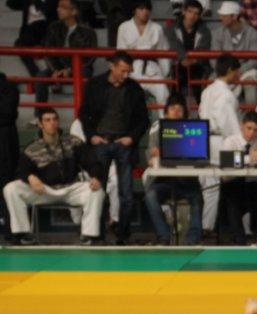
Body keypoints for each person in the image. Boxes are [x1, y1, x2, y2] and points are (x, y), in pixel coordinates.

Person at [4, 108, 105, 245]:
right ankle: (22, 235)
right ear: (40, 124)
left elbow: (92, 162)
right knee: (11, 188)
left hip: (71, 189)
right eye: (47, 120)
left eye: (55, 119)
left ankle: (89, 235)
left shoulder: (73, 142)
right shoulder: (32, 148)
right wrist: (30, 177)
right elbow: (20, 171)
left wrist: (96, 176)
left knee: (97, 191)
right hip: (44, 191)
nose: (52, 123)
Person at [78, 50, 149, 244]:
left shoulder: (134, 88)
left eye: (128, 71)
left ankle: (123, 235)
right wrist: (91, 136)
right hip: (101, 142)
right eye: (123, 70)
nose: (126, 75)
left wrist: (131, 138)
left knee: (127, 195)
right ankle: (98, 235)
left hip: (123, 144)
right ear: (112, 66)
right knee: (97, 192)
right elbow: (84, 113)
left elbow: (143, 120)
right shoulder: (95, 85)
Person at [144, 94, 203, 245]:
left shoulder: (192, 128)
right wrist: (152, 155)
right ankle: (164, 236)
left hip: (187, 181)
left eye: (180, 109)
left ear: (185, 112)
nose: (176, 112)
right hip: (164, 181)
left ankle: (193, 239)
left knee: (197, 199)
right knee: (150, 196)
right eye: (172, 108)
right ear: (165, 112)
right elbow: (150, 152)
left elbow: (199, 155)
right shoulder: (158, 126)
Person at [198, 53, 242, 234]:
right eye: (237, 71)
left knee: (209, 186)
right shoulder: (226, 95)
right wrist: (241, 145)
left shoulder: (207, 91)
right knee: (233, 184)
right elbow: (228, 124)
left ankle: (206, 228)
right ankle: (211, 229)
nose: (239, 75)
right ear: (230, 70)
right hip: (223, 142)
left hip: (205, 141)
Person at [220, 111, 257, 244]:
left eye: (256, 130)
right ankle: (238, 241)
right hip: (233, 184)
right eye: (249, 128)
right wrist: (248, 158)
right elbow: (226, 161)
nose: (252, 133)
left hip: (254, 185)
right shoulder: (230, 141)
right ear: (242, 126)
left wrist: (255, 157)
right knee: (232, 198)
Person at [36, 0, 97, 104]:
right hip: (58, 67)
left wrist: (70, 70)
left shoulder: (88, 31)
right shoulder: (54, 27)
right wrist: (55, 70)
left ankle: (83, 111)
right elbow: (48, 52)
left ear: (73, 11)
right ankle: (40, 111)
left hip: (79, 68)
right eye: (58, 6)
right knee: (41, 77)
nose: (58, 9)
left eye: (63, 7)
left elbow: (89, 58)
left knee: (84, 74)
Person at [116, 0, 170, 105]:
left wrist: (165, 75)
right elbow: (120, 54)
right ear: (134, 10)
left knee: (164, 94)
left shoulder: (157, 28)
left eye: (147, 9)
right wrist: (122, 73)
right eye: (141, 9)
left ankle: (162, 116)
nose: (145, 12)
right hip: (131, 71)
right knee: (125, 96)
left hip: (152, 71)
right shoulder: (124, 27)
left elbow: (164, 55)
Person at [211, 1, 257, 104]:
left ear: (234, 16)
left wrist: (239, 71)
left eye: (225, 16)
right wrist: (225, 71)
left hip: (245, 70)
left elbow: (254, 59)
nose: (221, 18)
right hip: (224, 71)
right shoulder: (218, 33)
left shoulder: (251, 33)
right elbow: (213, 57)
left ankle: (251, 113)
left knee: (250, 83)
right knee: (211, 80)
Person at [164, 0, 211, 103]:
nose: (192, 16)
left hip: (197, 65)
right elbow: (173, 45)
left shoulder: (205, 30)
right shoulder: (172, 28)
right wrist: (183, 59)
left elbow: (203, 49)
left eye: (196, 13)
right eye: (190, 11)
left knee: (199, 82)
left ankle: (201, 110)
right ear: (183, 11)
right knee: (175, 79)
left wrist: (193, 60)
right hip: (178, 64)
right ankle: (174, 108)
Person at [11, 0, 56, 81]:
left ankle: (54, 74)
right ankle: (36, 74)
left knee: (37, 25)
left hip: (45, 30)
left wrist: (37, 2)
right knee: (19, 44)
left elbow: (51, 11)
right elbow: (11, 4)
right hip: (28, 33)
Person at [0, 72, 19, 240]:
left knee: (6, 185)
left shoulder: (8, 88)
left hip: (4, 143)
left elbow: (7, 114)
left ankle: (9, 230)